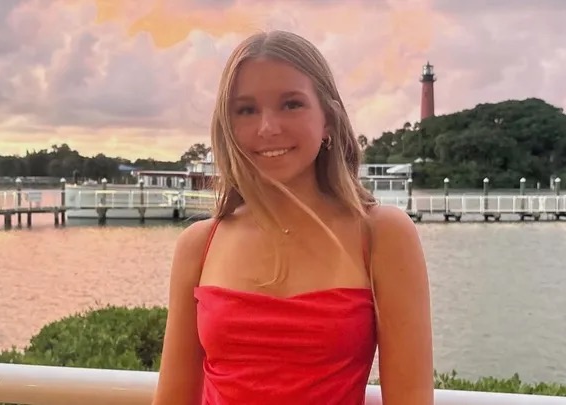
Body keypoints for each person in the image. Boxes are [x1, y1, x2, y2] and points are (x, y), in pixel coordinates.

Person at [151, 30, 433, 405]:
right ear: (228, 126)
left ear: (328, 119)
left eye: (291, 104)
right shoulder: (199, 245)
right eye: (246, 110)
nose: (268, 127)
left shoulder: (381, 235)